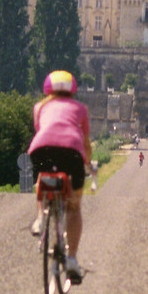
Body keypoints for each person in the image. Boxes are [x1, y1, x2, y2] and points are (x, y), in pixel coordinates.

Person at [28, 70, 92, 282]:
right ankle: (72, 259)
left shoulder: (40, 107)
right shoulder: (80, 108)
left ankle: (39, 219)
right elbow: (85, 142)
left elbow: (42, 131)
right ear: (73, 89)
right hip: (72, 152)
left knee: (42, 177)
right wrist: (88, 163)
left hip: (41, 149)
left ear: (47, 88)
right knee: (74, 206)